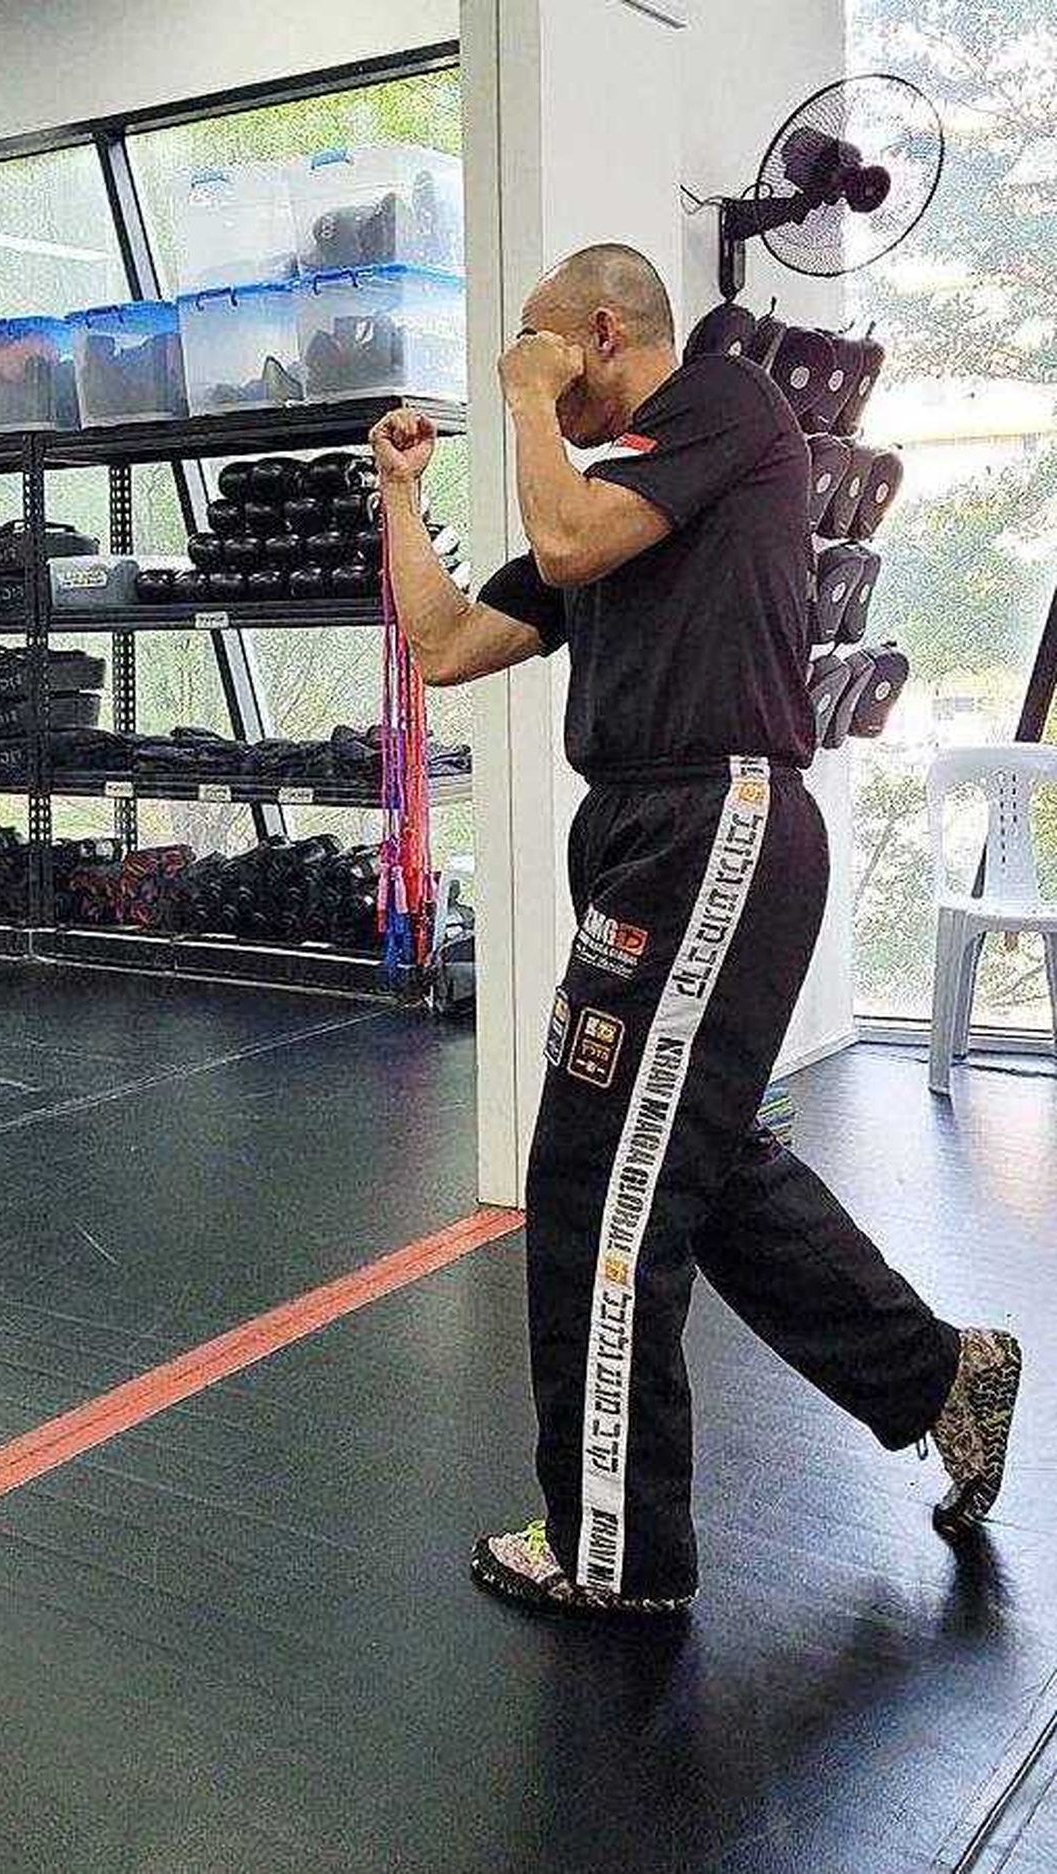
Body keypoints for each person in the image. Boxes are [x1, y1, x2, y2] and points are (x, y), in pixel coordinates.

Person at [370, 244, 1022, 1615]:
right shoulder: (615, 499)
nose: (529, 371)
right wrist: (401, 493)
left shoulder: (725, 403)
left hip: (714, 820)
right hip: (646, 833)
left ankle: (616, 1548)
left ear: (602, 332)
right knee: (700, 1166)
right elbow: (443, 643)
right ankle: (936, 1374)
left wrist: (531, 400)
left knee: (596, 1187)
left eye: (548, 346)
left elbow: (563, 537)